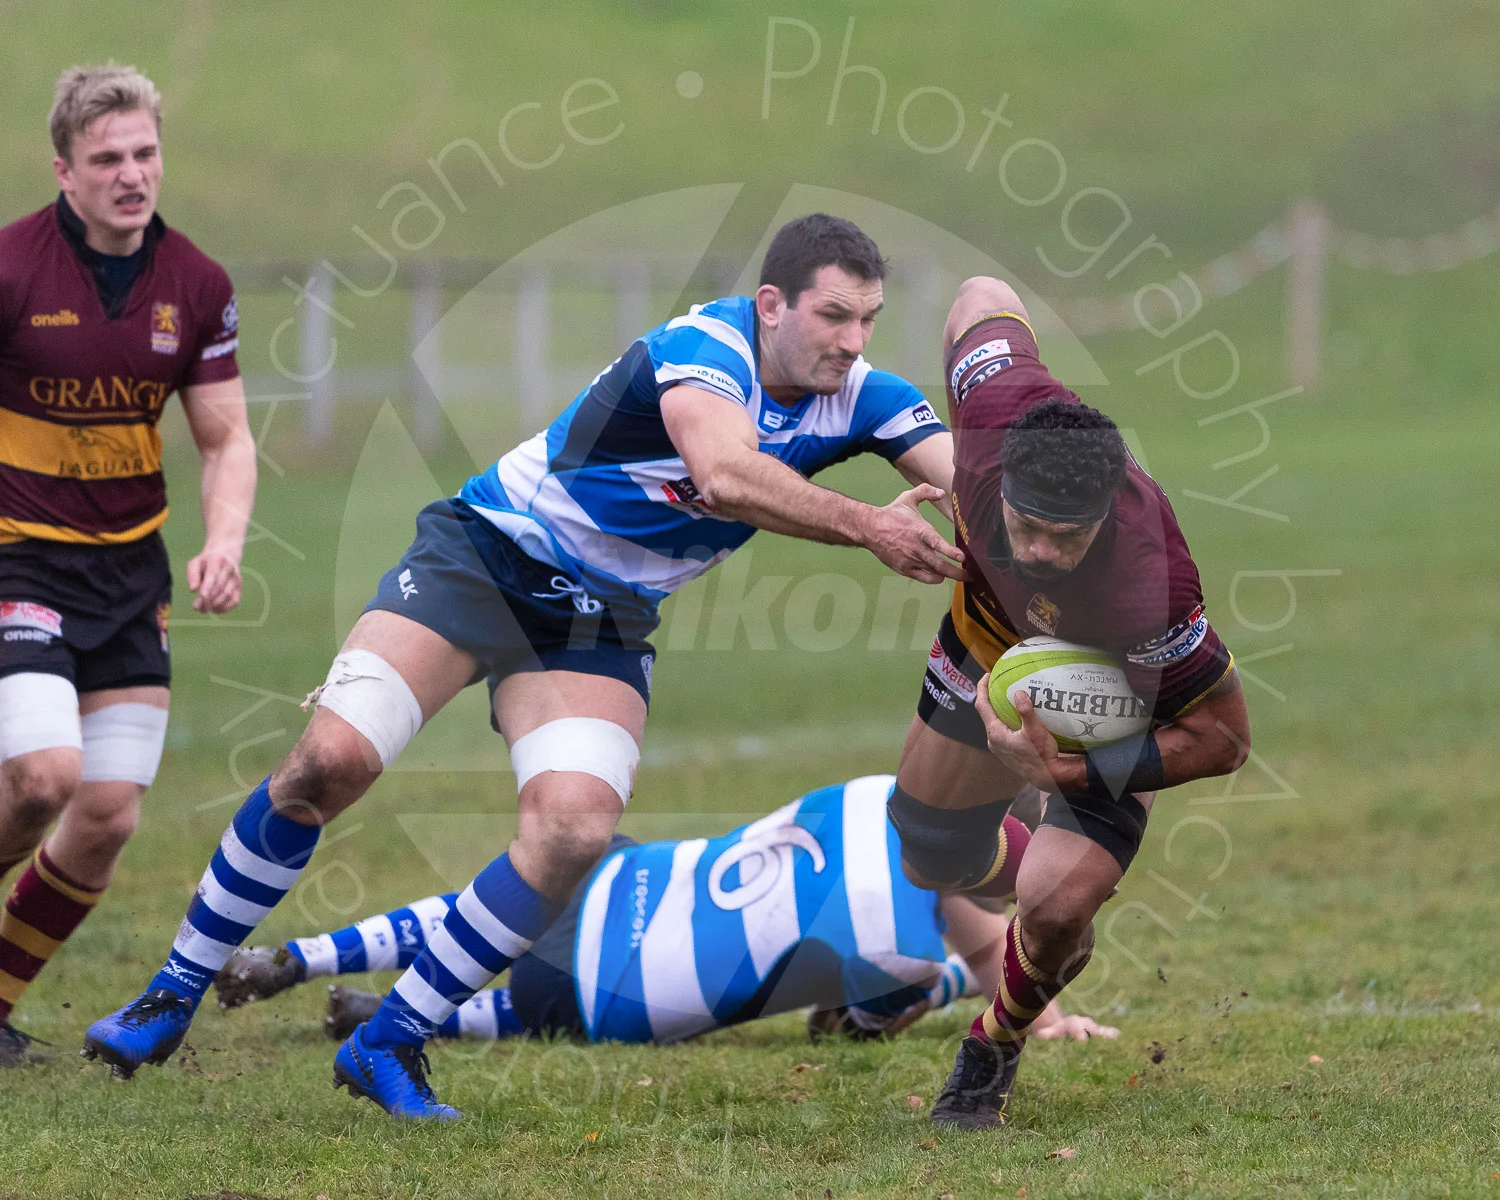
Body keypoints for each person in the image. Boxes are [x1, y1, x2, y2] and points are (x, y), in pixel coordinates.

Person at [84, 214, 964, 1118]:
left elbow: (977, 486)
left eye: (868, 319)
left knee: (574, 832)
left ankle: (390, 1040)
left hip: (600, 621)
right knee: (328, 764)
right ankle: (171, 994)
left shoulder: (864, 394)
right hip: (486, 558)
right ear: (771, 304)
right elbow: (727, 473)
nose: (852, 342)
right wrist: (870, 524)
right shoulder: (705, 347)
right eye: (833, 317)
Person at [884, 277, 1252, 1130]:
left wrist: (1079, 768)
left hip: (1119, 701)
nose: (1042, 550)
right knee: (929, 854)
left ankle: (996, 1039)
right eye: (1027, 526)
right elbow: (977, 293)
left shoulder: (1150, 587)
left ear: (1106, 514)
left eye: (1067, 535)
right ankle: (1047, 889)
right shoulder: (990, 416)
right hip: (985, 647)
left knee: (1052, 906)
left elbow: (1226, 740)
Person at [0, 63, 253, 1065]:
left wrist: (223, 542)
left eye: (144, 153)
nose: (130, 174)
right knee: (43, 779)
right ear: (65, 171)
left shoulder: (196, 284)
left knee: (104, 817)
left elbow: (227, 440)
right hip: (20, 563)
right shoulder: (14, 268)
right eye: (107, 159)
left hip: (127, 579)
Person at [212, 777, 1116, 1049]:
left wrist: (1033, 991)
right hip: (629, 991)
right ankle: (431, 1018)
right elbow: (846, 1028)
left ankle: (300, 958)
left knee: (482, 910)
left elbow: (955, 895)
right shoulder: (900, 950)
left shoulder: (881, 792)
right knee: (546, 1002)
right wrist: (1011, 988)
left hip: (635, 877)